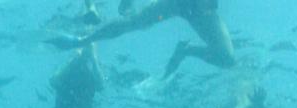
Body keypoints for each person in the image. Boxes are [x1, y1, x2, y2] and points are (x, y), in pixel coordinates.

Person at [48, 0, 235, 78]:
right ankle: (83, 40)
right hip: (182, 4)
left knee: (226, 58)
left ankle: (186, 50)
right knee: (132, 22)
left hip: (202, 9)